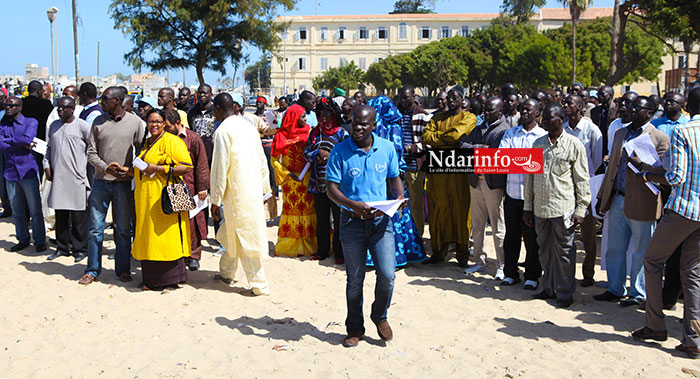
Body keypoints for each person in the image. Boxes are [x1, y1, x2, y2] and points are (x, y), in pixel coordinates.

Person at [326, 104, 405, 348]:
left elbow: (394, 179)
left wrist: (399, 199)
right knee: (355, 279)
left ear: (374, 125)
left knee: (387, 275)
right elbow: (331, 189)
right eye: (354, 122)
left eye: (363, 124)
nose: (357, 128)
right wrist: (352, 204)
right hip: (351, 223)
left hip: (381, 224)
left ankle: (379, 315)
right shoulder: (339, 152)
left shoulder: (387, 148)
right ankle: (354, 329)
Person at [631, 87, 700, 359]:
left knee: (652, 260)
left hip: (683, 210)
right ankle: (693, 339)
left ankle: (655, 325)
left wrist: (647, 174)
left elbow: (676, 177)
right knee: (692, 272)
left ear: (688, 107)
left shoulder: (684, 132)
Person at [594, 96, 670, 306]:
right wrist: (603, 196)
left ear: (650, 112)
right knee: (615, 248)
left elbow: (665, 172)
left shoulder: (659, 138)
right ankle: (615, 288)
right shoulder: (621, 133)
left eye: (639, 108)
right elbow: (612, 167)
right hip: (618, 197)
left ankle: (638, 293)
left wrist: (644, 165)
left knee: (641, 250)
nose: (633, 110)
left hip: (643, 201)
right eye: (632, 107)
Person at [524, 102, 590, 309]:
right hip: (541, 209)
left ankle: (564, 292)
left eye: (547, 116)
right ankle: (548, 287)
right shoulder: (537, 144)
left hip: (563, 210)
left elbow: (582, 180)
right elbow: (530, 178)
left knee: (564, 252)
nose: (543, 119)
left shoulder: (574, 145)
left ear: (560, 120)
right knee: (544, 250)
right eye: (542, 116)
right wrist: (528, 207)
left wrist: (581, 209)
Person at [80, 87, 145, 285]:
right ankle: (92, 270)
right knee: (95, 229)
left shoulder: (135, 122)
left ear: (117, 100)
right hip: (101, 182)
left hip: (123, 185)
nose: (102, 102)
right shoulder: (98, 122)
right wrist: (106, 168)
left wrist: (127, 170)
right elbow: (91, 152)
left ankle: (123, 269)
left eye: (106, 99)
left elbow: (142, 151)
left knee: (123, 229)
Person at [210, 93, 270, 296]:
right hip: (252, 188)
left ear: (218, 108)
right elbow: (262, 159)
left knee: (245, 236)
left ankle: (259, 284)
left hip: (236, 192)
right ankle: (226, 272)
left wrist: (215, 200)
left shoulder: (222, 131)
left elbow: (219, 167)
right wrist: (265, 187)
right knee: (231, 232)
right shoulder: (248, 126)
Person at [131, 109, 193, 290]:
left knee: (166, 236)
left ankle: (170, 280)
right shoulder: (146, 142)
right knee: (149, 237)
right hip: (146, 199)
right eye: (151, 122)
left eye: (158, 121)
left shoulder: (172, 141)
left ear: (165, 122)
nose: (154, 125)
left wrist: (159, 169)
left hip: (164, 198)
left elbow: (187, 166)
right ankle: (151, 280)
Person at [368, 96, 426, 267]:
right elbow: (398, 151)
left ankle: (375, 257)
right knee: (398, 215)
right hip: (395, 179)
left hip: (376, 179)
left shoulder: (372, 128)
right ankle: (400, 255)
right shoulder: (395, 127)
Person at [422, 86, 477, 267]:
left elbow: (458, 133)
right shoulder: (437, 117)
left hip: (458, 166)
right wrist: (447, 140)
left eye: (455, 97)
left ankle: (462, 253)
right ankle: (439, 250)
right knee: (439, 209)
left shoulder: (468, 117)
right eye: (448, 97)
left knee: (460, 209)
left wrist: (441, 139)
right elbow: (427, 137)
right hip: (438, 166)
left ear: (463, 101)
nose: (450, 100)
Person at [500, 98, 547, 289]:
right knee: (511, 236)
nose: (524, 112)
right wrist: (528, 160)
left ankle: (532, 275)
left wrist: (518, 159)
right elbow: (503, 158)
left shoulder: (543, 136)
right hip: (512, 193)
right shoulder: (510, 133)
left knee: (533, 238)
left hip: (533, 196)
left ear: (537, 113)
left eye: (529, 110)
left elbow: (541, 164)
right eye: (522, 109)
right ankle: (511, 273)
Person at [461, 97, 509, 279]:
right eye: (484, 109)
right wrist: (480, 147)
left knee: (498, 227)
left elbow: (497, 155)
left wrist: (479, 151)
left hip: (493, 184)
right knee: (478, 225)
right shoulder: (480, 127)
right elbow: (463, 145)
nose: (485, 113)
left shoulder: (504, 130)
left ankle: (501, 264)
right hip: (476, 181)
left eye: (490, 110)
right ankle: (479, 261)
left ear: (500, 110)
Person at [562, 94, 603, 287]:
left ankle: (588, 273)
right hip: (564, 187)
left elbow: (596, 162)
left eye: (569, 103)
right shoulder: (561, 128)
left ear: (580, 107)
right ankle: (565, 273)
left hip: (586, 187)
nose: (565, 105)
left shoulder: (592, 131)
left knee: (588, 234)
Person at [43, 97, 91, 262]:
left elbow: (93, 148)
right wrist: (46, 165)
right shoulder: (54, 126)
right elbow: (48, 150)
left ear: (73, 108)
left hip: (76, 177)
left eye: (65, 107)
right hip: (58, 178)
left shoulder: (82, 126)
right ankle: (62, 248)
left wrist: (83, 169)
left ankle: (80, 249)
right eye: (59, 107)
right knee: (61, 215)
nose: (61, 110)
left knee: (78, 217)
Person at [163, 109, 209, 272]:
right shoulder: (164, 139)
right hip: (172, 186)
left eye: (168, 127)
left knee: (192, 223)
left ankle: (194, 256)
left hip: (189, 186)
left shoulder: (193, 139)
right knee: (175, 223)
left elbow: (202, 164)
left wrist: (202, 187)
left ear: (177, 124)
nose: (166, 130)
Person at [304, 99, 348, 264]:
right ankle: (322, 251)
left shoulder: (341, 134)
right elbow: (306, 153)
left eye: (327, 112)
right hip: (318, 183)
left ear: (334, 114)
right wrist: (317, 154)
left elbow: (348, 156)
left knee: (338, 219)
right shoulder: (315, 133)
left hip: (338, 185)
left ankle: (339, 252)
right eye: (321, 112)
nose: (323, 115)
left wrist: (331, 157)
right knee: (321, 219)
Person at [0, 97, 47, 252]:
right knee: (17, 210)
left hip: (28, 171)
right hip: (11, 173)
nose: (8, 108)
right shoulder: (4, 125)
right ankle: (23, 239)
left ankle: (40, 240)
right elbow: (2, 145)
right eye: (7, 105)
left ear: (20, 107)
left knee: (35, 209)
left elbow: (28, 138)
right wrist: (20, 143)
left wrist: (10, 141)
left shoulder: (30, 122)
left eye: (12, 105)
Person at [271, 104, 317, 257]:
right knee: (291, 208)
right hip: (290, 181)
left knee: (309, 209)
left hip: (307, 178)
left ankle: (309, 244)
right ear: (294, 118)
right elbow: (274, 159)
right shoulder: (281, 136)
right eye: (302, 116)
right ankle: (290, 246)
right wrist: (287, 174)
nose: (305, 119)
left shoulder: (310, 133)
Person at [397, 86, 431, 238]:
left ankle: (417, 237)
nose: (403, 101)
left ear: (413, 96)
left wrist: (411, 148)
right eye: (401, 98)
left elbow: (429, 142)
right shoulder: (397, 115)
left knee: (416, 204)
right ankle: (403, 237)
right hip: (398, 165)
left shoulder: (423, 116)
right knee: (399, 203)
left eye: (406, 98)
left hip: (415, 165)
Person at [22, 80, 53, 177]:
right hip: (41, 142)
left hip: (22, 143)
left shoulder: (21, 104)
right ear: (39, 92)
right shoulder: (46, 105)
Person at [187, 84, 216, 165]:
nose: (201, 95)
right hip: (196, 152)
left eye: (204, 93)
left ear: (211, 95)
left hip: (212, 153)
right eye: (199, 93)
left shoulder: (216, 111)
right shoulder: (192, 112)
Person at [590, 85, 617, 157]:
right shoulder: (594, 111)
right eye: (598, 94)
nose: (599, 96)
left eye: (602, 94)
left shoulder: (617, 111)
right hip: (597, 144)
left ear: (610, 96)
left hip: (611, 144)